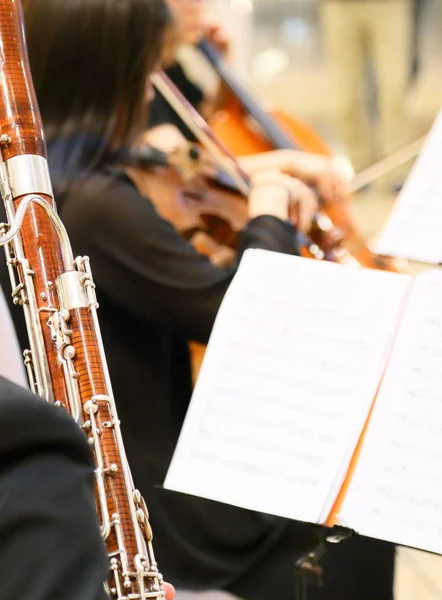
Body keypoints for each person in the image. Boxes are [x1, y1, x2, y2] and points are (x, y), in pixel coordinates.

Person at [0, 0, 343, 599]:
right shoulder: (94, 204)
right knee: (344, 515)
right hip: (154, 503)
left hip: (141, 461)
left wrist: (252, 166)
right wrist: (267, 215)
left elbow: (165, 174)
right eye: (145, 70)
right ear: (113, 75)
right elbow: (237, 315)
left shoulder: (62, 179)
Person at [319, 0, 413, 174]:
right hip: (340, 8)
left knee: (395, 92)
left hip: (389, 7)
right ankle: (360, 165)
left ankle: (398, 168)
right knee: (346, 98)